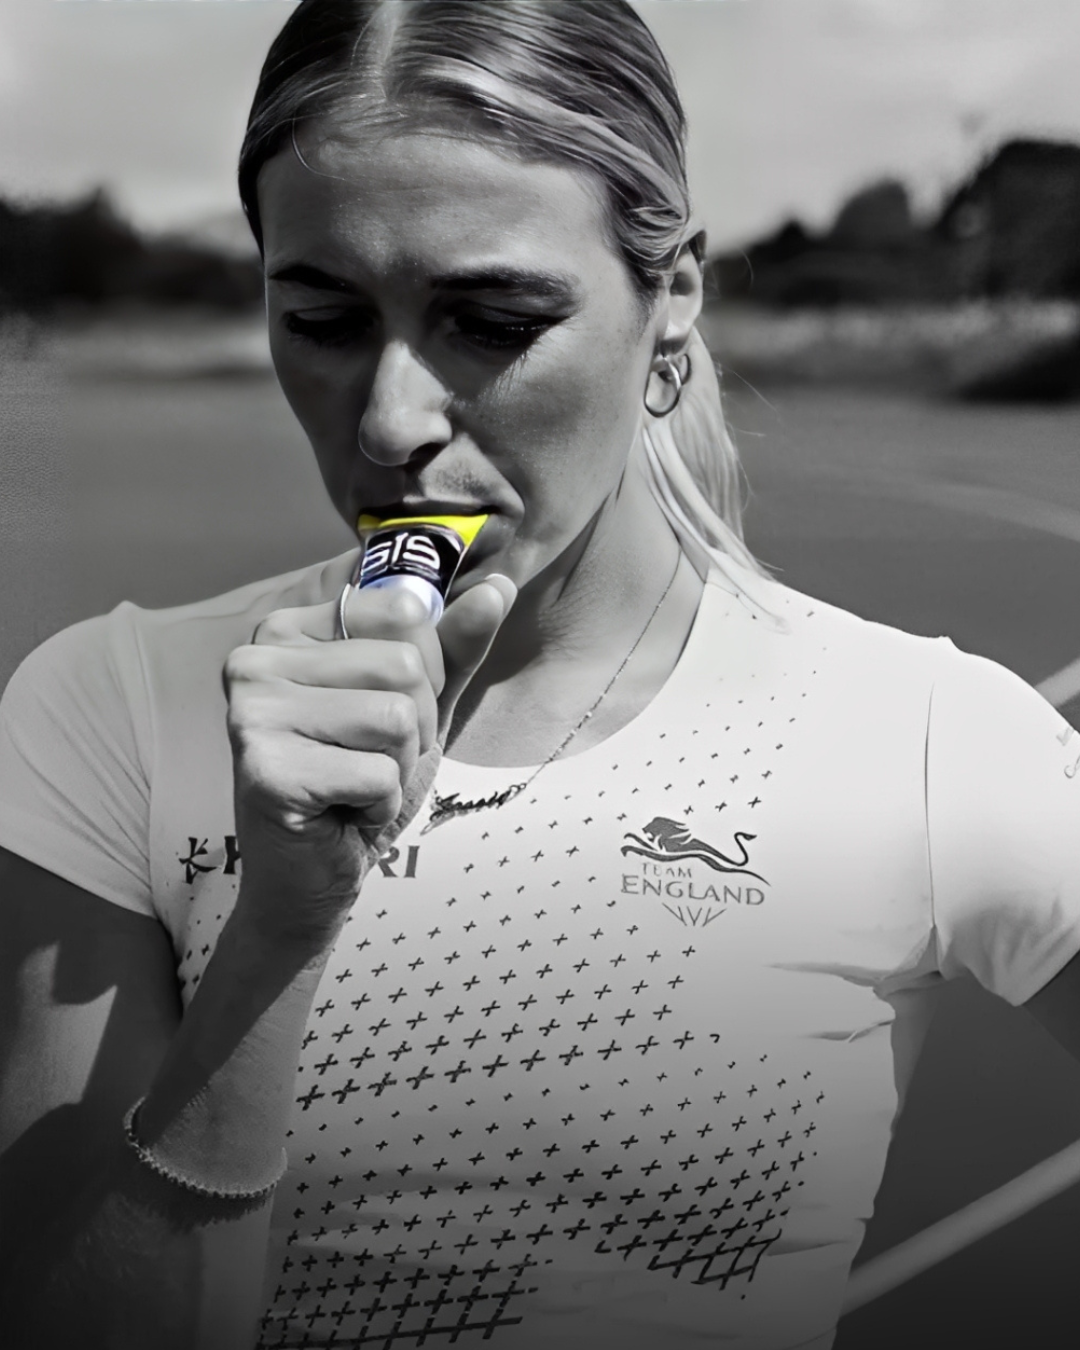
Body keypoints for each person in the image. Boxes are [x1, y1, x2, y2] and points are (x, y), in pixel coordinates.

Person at [2, 3, 1080, 1348]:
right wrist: (275, 931)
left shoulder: (913, 733)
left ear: (671, 298)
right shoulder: (109, 704)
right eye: (323, 319)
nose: (390, 420)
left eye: (493, 319)